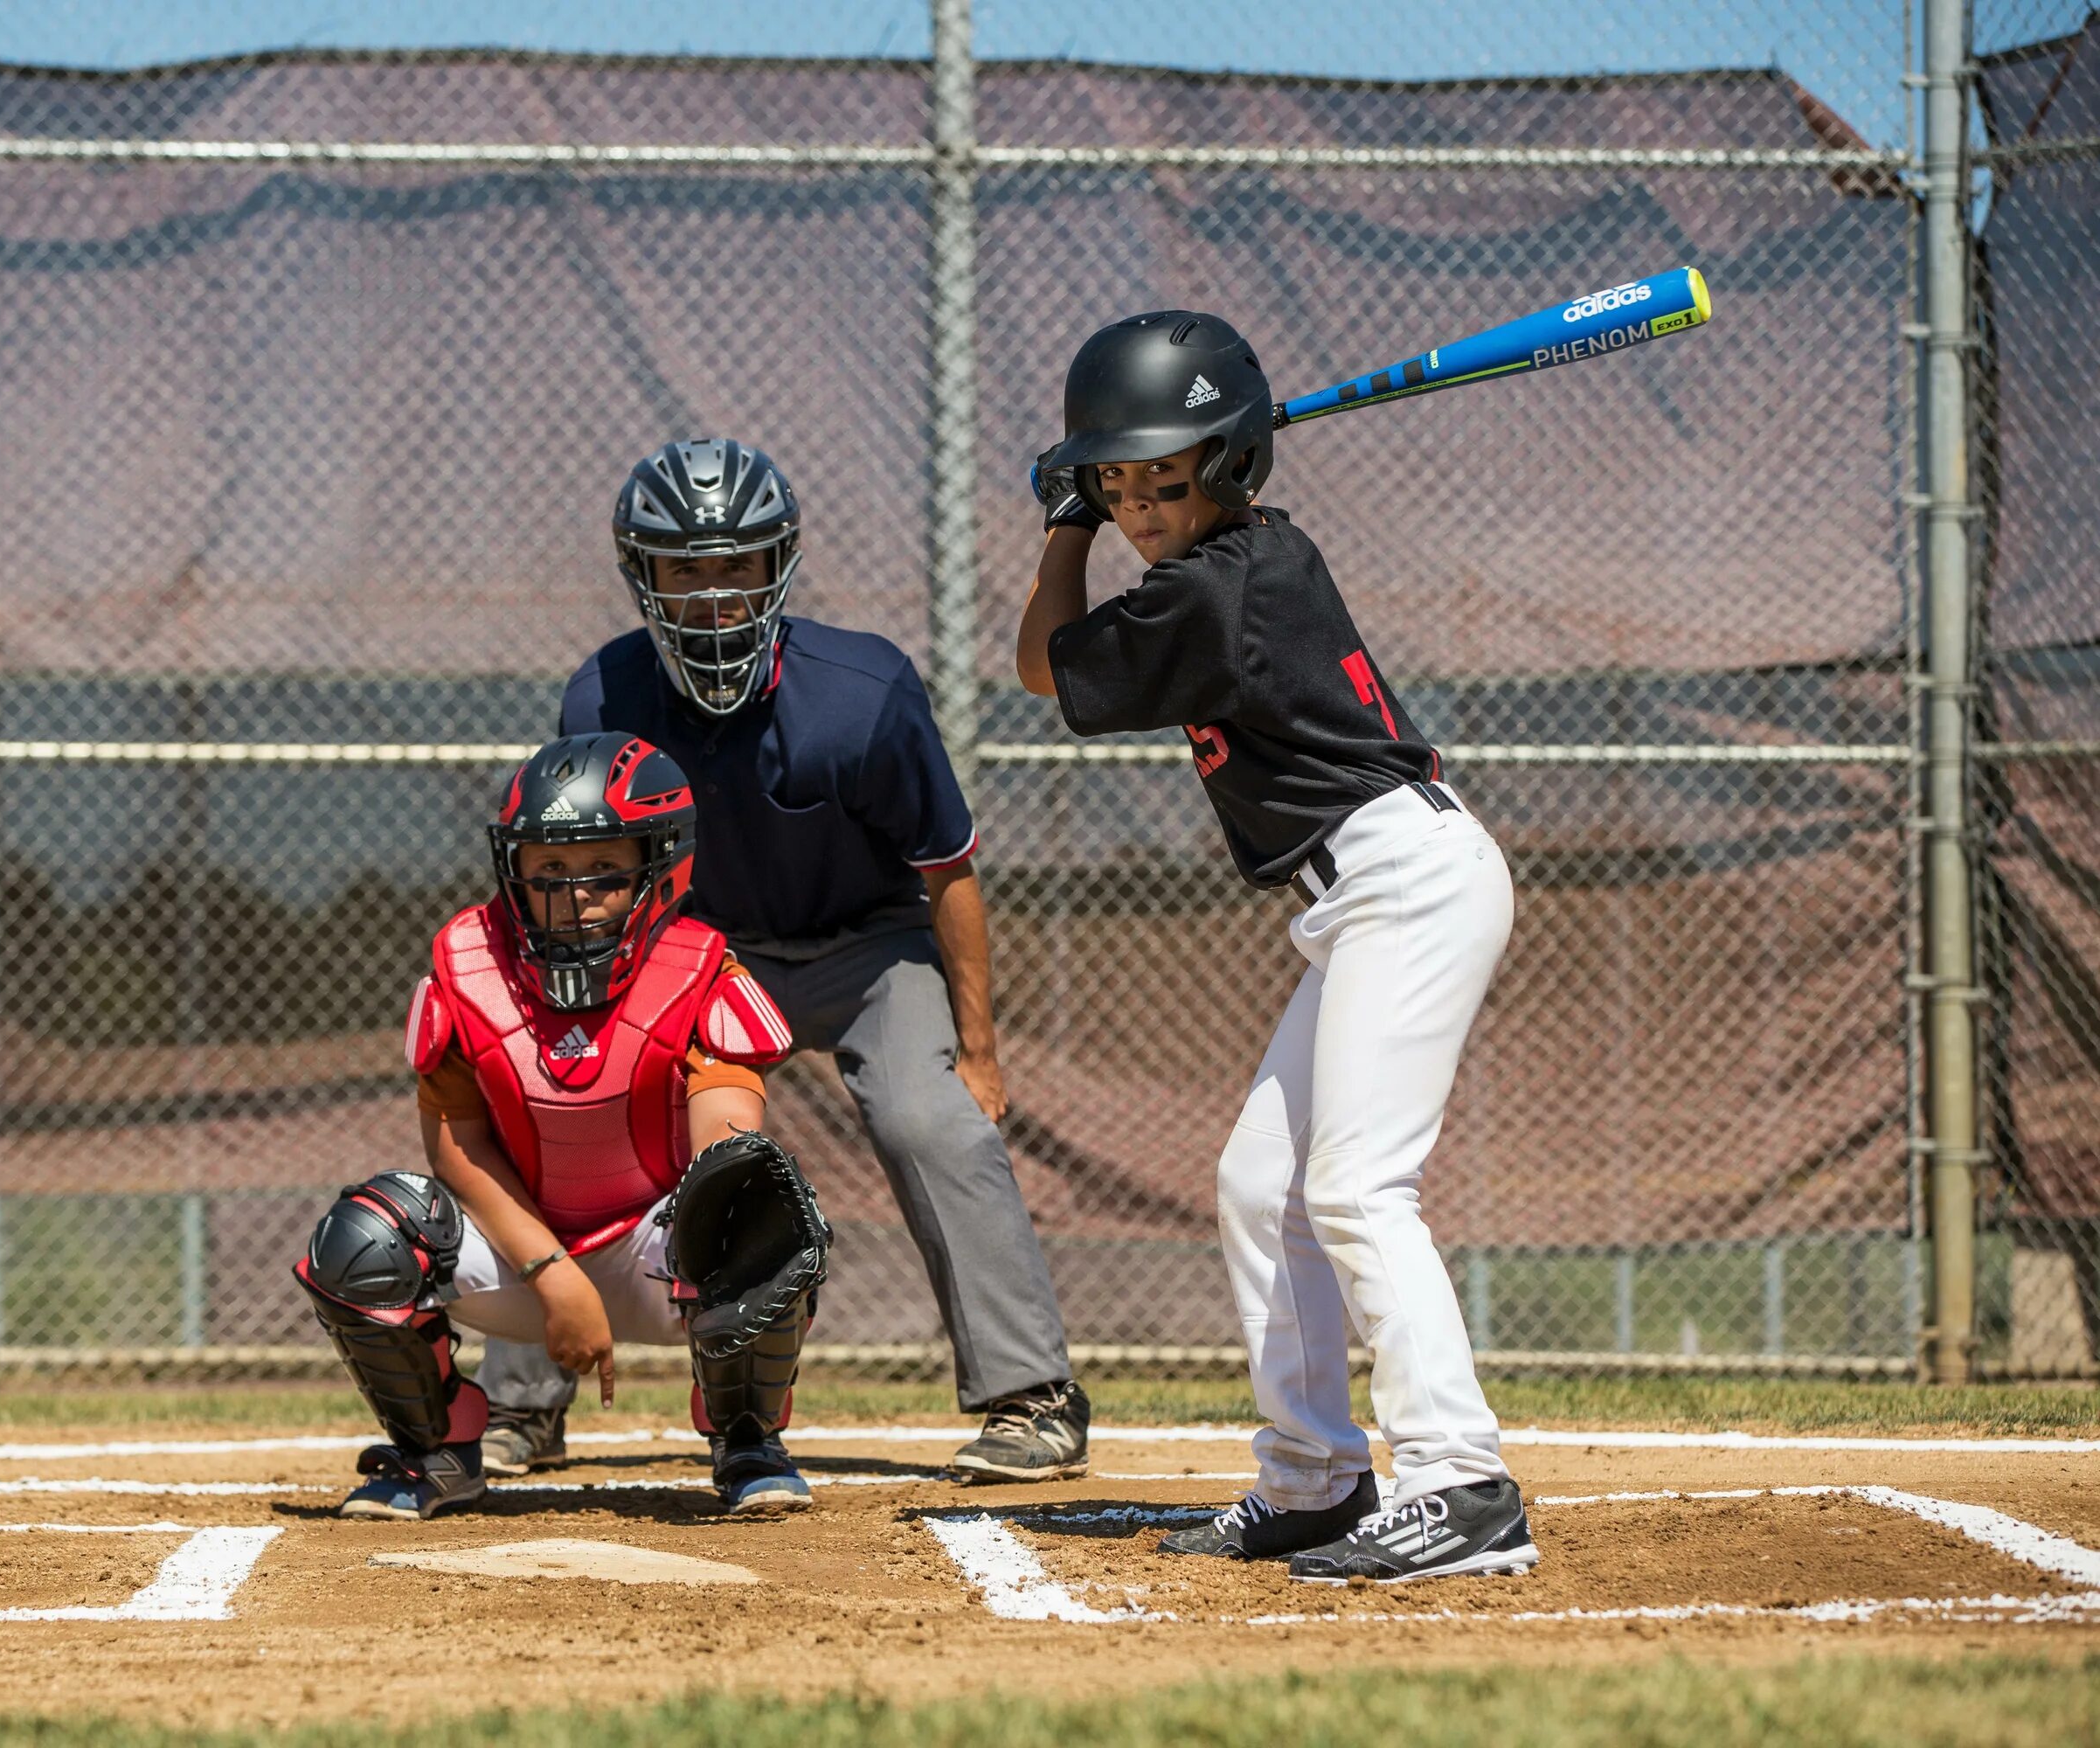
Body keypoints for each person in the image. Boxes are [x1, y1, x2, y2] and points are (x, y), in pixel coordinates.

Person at [1014, 312, 1537, 1582]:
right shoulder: (1234, 561)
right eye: (1118, 483)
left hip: (1406, 884)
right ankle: (1312, 1482)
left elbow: (1040, 666)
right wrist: (1109, 489)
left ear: (1237, 465)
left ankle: (1463, 1482)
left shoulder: (1217, 588)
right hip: (1363, 894)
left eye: (1166, 481)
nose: (1139, 509)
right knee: (1265, 1184)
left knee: (1358, 1186)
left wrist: (1061, 522)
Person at [475, 438, 1091, 1485]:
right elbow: (596, 876)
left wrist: (977, 1051)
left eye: (736, 564)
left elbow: (949, 872)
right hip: (703, 953)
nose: (713, 592)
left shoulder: (865, 691)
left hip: (869, 947)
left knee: (928, 1113)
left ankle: (1033, 1395)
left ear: (779, 564)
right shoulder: (605, 693)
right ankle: (524, 1400)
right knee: (565, 1099)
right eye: (684, 568)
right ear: (642, 575)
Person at [293, 731, 831, 1521]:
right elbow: (458, 1146)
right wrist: (554, 1274)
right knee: (366, 1236)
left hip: (660, 1256)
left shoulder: (701, 968)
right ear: (514, 870)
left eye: (604, 870)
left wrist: (714, 1253)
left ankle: (745, 1437)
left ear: (659, 865)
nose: (574, 893)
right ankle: (437, 1450)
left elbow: (727, 1139)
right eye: (549, 869)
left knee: (757, 1195)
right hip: (524, 1262)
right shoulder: (466, 964)